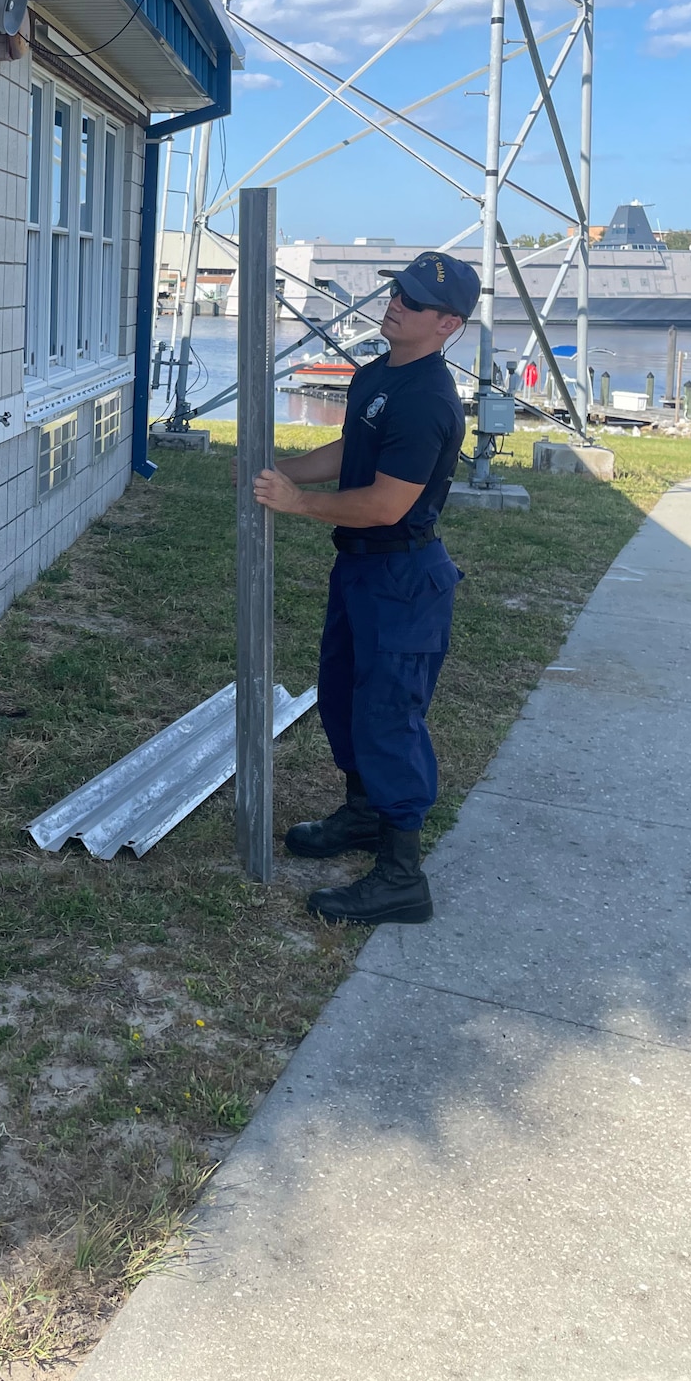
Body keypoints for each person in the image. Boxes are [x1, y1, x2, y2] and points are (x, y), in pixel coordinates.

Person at [251, 250, 478, 926]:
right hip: (359, 570)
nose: (396, 304)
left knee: (388, 715)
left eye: (413, 301)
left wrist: (296, 504)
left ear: (448, 325)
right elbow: (348, 456)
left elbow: (385, 504)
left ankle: (402, 877)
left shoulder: (429, 398)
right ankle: (363, 816)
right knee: (345, 698)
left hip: (403, 578)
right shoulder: (378, 374)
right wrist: (272, 470)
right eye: (398, 292)